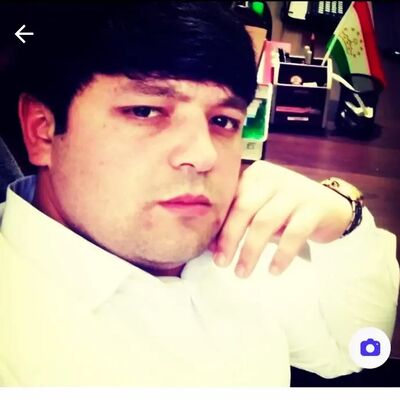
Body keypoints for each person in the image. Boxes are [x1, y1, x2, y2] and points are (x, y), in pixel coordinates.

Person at [0, 2, 398, 386]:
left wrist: (346, 221)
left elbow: (356, 351)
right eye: (145, 111)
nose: (205, 155)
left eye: (223, 120)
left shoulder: (237, 245)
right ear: (42, 130)